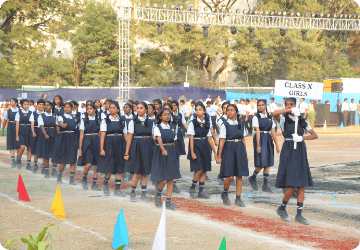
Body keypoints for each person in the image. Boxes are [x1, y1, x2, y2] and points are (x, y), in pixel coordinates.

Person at [272, 97, 318, 225]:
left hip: (300, 150)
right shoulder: (283, 119)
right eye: (286, 104)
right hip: (288, 151)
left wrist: (302, 138)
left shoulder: (302, 120)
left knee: (302, 184)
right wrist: (288, 110)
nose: (288, 106)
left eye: (291, 104)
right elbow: (273, 114)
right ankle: (282, 208)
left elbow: (315, 135)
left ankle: (299, 215)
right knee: (292, 185)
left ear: (297, 105)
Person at [216, 104, 248, 207]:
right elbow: (222, 141)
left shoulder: (241, 124)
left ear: (236, 112)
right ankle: (224, 193)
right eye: (228, 110)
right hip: (229, 149)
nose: (229, 112)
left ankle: (238, 199)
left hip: (239, 149)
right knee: (229, 176)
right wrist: (219, 156)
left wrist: (245, 153)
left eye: (232, 110)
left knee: (239, 175)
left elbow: (243, 139)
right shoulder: (224, 124)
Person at [125, 102, 155, 202]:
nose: (139, 110)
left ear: (146, 110)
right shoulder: (132, 122)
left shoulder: (151, 122)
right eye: (137, 108)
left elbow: (154, 137)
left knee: (145, 173)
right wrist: (126, 152)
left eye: (141, 108)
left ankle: (143, 194)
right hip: (137, 147)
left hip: (147, 147)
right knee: (137, 172)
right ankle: (132, 193)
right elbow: (129, 139)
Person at [248, 99, 280, 193]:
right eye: (259, 105)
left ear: (266, 106)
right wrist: (258, 145)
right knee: (261, 163)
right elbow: (257, 131)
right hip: (260, 138)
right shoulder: (256, 117)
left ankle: (265, 185)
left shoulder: (270, 117)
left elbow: (273, 132)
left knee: (267, 163)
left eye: (262, 105)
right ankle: (253, 177)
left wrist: (277, 145)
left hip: (268, 139)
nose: (260, 107)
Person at [152, 108, 180, 210]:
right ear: (160, 116)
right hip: (161, 152)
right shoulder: (157, 127)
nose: (167, 116)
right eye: (165, 115)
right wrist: (163, 149)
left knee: (171, 179)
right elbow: (159, 140)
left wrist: (174, 152)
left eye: (168, 114)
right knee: (163, 179)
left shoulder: (173, 126)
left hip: (171, 151)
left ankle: (168, 201)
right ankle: (158, 194)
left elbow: (174, 140)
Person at [187, 102, 217, 199]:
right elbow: (191, 138)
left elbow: (209, 138)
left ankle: (201, 192)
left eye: (200, 110)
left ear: (204, 111)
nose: (198, 112)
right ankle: (192, 189)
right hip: (196, 145)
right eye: (196, 110)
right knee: (199, 169)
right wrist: (192, 151)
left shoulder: (207, 122)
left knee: (204, 170)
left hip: (205, 145)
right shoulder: (193, 123)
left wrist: (215, 152)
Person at [98, 101, 128, 196]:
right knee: (110, 168)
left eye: (114, 107)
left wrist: (129, 147)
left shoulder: (122, 121)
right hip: (109, 144)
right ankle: (105, 184)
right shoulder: (105, 120)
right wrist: (102, 149)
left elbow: (126, 135)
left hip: (120, 144)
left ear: (118, 110)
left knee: (119, 167)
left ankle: (117, 190)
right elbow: (102, 136)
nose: (111, 109)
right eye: (110, 107)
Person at [53, 102, 79, 185]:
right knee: (63, 160)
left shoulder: (73, 118)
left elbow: (75, 128)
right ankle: (59, 175)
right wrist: (66, 125)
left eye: (68, 107)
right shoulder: (61, 116)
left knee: (73, 160)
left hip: (72, 138)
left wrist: (66, 125)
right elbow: (62, 125)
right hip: (64, 138)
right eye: (65, 107)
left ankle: (71, 179)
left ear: (72, 108)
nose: (66, 109)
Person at [78, 103, 101, 191]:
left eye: (91, 109)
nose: (89, 110)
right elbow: (81, 135)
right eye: (87, 109)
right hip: (87, 141)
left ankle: (94, 183)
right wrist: (80, 149)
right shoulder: (83, 120)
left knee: (96, 164)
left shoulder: (99, 120)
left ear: (94, 110)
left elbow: (100, 133)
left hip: (96, 140)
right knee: (88, 163)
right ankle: (84, 178)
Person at [36, 100, 57, 177]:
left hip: (53, 134)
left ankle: (54, 170)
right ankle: (46, 171)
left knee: (55, 153)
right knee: (46, 154)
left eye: (48, 105)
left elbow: (57, 126)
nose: (46, 106)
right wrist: (45, 134)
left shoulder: (55, 115)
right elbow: (41, 126)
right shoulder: (41, 116)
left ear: (51, 107)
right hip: (44, 135)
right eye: (45, 105)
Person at [15, 99, 34, 169]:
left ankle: (28, 165)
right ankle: (18, 159)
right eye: (25, 104)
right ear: (22, 105)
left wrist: (33, 132)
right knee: (22, 147)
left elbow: (32, 123)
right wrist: (17, 135)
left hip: (29, 130)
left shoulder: (31, 112)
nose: (26, 106)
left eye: (27, 104)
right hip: (22, 130)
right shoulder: (18, 113)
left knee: (29, 148)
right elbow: (17, 124)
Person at [1, 98, 19, 167]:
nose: (10, 102)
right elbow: (5, 121)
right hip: (11, 127)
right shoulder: (8, 111)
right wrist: (3, 130)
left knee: (18, 144)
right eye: (10, 101)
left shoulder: (20, 111)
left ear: (16, 103)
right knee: (11, 143)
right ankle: (13, 160)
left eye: (12, 101)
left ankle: (18, 159)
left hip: (18, 127)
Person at [29, 99, 45, 172]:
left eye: (42, 105)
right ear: (37, 106)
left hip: (44, 132)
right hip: (36, 131)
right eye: (40, 104)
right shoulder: (33, 114)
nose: (41, 106)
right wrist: (33, 132)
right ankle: (35, 165)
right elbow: (32, 124)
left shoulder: (46, 114)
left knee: (44, 149)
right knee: (35, 149)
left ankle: (44, 166)